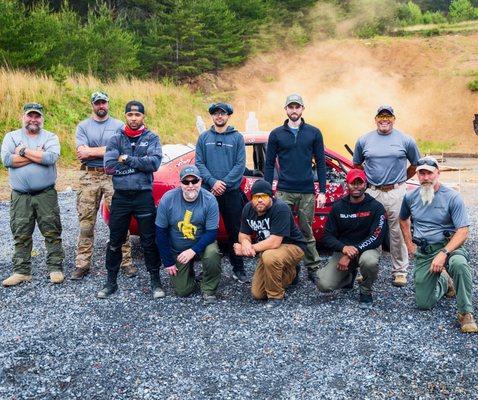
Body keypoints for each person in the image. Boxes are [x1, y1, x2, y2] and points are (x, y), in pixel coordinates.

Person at [399, 157, 477, 333]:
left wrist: (444, 253)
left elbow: (463, 231)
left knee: (459, 264)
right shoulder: (410, 197)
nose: (426, 177)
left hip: (449, 247)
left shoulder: (452, 197)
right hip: (425, 251)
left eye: (429, 173)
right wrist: (409, 245)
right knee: (424, 304)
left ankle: (466, 313)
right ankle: (444, 281)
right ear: (417, 175)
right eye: (422, 173)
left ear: (438, 174)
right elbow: (403, 219)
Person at [97, 100, 164, 299]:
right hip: (121, 197)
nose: (134, 119)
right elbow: (109, 167)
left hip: (143, 195)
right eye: (130, 115)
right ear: (125, 116)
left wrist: (127, 160)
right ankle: (111, 282)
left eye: (138, 115)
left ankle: (155, 280)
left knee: (149, 241)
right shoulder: (116, 138)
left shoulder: (152, 137)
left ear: (143, 117)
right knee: (115, 241)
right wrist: (138, 165)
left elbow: (154, 163)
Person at [353, 105, 421, 287]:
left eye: (388, 116)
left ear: (394, 119)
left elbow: (415, 164)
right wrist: (369, 183)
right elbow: (357, 165)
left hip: (396, 192)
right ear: (375, 119)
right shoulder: (364, 140)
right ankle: (367, 270)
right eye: (381, 116)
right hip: (372, 191)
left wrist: (400, 180)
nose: (385, 119)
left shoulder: (405, 140)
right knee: (369, 229)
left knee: (396, 231)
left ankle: (400, 271)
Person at [264, 94, 326, 285]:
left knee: (307, 231)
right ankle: (290, 267)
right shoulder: (276, 134)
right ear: (286, 109)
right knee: (283, 231)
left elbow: (322, 163)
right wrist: (267, 192)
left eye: (297, 107)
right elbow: (268, 164)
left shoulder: (314, 133)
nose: (294, 110)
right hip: (284, 190)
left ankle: (313, 268)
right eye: (290, 107)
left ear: (302, 109)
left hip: (307, 190)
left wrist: (322, 190)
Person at [72, 91, 135, 280]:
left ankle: (126, 262)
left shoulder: (118, 126)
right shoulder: (83, 126)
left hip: (113, 176)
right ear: (92, 105)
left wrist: (93, 151)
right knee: (86, 222)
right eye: (97, 103)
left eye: (104, 103)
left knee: (119, 219)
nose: (101, 106)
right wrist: (106, 151)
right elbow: (82, 153)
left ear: (108, 104)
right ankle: (82, 264)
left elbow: (120, 151)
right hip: (88, 176)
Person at [1, 103, 65, 286]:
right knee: (21, 233)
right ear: (23, 117)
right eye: (30, 116)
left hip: (46, 194)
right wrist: (37, 154)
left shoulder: (50, 136)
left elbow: (50, 158)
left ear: (42, 119)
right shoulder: (11, 136)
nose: (33, 120)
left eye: (37, 116)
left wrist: (21, 151)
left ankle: (55, 267)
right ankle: (21, 271)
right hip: (20, 195)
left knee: (52, 230)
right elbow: (6, 160)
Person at [317, 169, 387, 308]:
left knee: (370, 262)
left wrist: (352, 252)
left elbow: (377, 236)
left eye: (359, 183)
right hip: (344, 250)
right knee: (323, 285)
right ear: (346, 185)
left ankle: (366, 291)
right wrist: (343, 248)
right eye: (352, 183)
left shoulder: (376, 207)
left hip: (367, 249)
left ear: (365, 185)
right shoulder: (338, 207)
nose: (356, 186)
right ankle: (348, 276)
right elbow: (327, 236)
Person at [195, 102, 247, 283]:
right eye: (216, 113)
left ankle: (238, 269)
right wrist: (212, 182)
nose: (219, 116)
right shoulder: (204, 138)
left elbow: (240, 166)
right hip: (208, 193)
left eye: (222, 113)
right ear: (212, 116)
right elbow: (199, 164)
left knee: (235, 231)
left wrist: (223, 183)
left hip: (231, 192)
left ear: (228, 116)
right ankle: (208, 269)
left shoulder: (237, 138)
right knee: (207, 230)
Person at [234, 180, 306, 308]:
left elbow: (274, 242)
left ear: (271, 197)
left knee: (269, 256)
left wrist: (250, 249)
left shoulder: (280, 208)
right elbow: (243, 234)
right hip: (268, 251)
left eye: (264, 196)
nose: (260, 200)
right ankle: (291, 271)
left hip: (293, 246)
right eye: (256, 197)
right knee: (258, 294)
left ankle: (276, 296)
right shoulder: (248, 208)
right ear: (252, 198)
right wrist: (245, 244)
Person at [155, 165, 222, 304]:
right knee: (182, 291)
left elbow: (212, 233)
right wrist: (168, 262)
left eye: (194, 181)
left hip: (201, 246)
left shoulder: (210, 200)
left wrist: (192, 251)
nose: (190, 186)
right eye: (186, 182)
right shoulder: (168, 199)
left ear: (201, 181)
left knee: (212, 253)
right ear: (180, 183)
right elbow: (160, 233)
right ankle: (190, 275)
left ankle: (208, 288)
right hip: (178, 250)